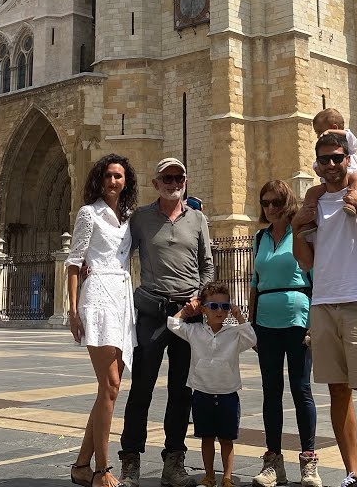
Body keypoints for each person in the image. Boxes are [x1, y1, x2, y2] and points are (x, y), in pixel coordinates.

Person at [292, 132, 357, 487]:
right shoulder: (314, 203)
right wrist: (295, 227)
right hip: (322, 304)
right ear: (317, 165)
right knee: (338, 391)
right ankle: (354, 473)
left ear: (348, 159)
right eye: (325, 159)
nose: (332, 164)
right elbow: (305, 261)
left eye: (338, 157)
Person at [118, 157, 215, 487]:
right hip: (152, 313)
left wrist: (200, 298)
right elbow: (120, 255)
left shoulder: (198, 219)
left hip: (188, 316)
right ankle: (130, 460)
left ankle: (174, 461)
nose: (174, 182)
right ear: (155, 183)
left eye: (179, 177)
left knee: (181, 391)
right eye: (167, 178)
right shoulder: (141, 219)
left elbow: (208, 266)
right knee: (142, 387)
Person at [67, 154, 140, 487]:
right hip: (96, 298)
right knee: (110, 386)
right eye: (109, 176)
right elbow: (73, 262)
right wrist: (72, 310)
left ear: (126, 182)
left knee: (106, 391)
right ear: (100, 179)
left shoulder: (128, 218)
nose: (114, 181)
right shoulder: (88, 213)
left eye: (119, 177)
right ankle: (102, 469)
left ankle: (82, 465)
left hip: (123, 298)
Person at [249, 180, 320, 487]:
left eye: (277, 202)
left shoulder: (300, 234)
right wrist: (251, 323)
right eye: (266, 203)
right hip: (265, 321)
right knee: (271, 391)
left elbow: (315, 277)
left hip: (298, 318)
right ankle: (273, 461)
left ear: (288, 203)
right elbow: (255, 281)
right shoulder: (260, 237)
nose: (271, 208)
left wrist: (315, 323)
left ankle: (308, 461)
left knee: (301, 389)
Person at [167, 282, 257, 487]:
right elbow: (173, 324)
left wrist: (239, 315)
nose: (220, 311)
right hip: (202, 391)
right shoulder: (195, 330)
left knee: (227, 439)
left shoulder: (234, 334)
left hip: (228, 393)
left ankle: (226, 477)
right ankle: (209, 475)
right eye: (214, 306)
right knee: (206, 438)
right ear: (204, 308)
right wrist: (189, 309)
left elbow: (251, 339)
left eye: (225, 307)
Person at [297, 108, 357, 241]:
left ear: (333, 127)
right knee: (311, 193)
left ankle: (352, 203)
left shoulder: (348, 139)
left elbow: (348, 136)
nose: (318, 136)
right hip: (329, 182)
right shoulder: (322, 146)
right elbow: (317, 166)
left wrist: (330, 132)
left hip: (350, 175)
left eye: (319, 132)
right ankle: (309, 220)